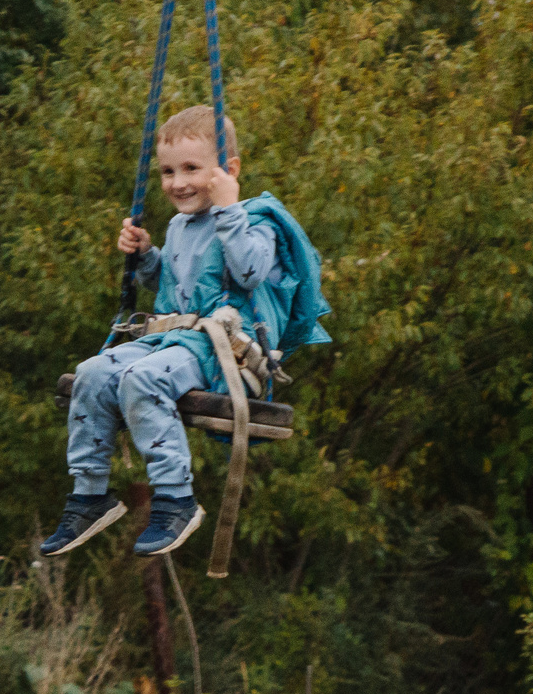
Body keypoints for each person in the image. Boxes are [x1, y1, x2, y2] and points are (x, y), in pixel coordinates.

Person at [42, 103, 331, 559]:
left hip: (225, 353)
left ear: (227, 170)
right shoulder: (179, 226)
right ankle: (89, 494)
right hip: (174, 341)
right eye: (168, 172)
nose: (178, 183)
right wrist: (146, 257)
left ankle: (176, 499)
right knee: (94, 372)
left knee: (143, 378)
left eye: (192, 169)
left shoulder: (253, 221)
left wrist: (229, 209)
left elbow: (251, 272)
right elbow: (178, 290)